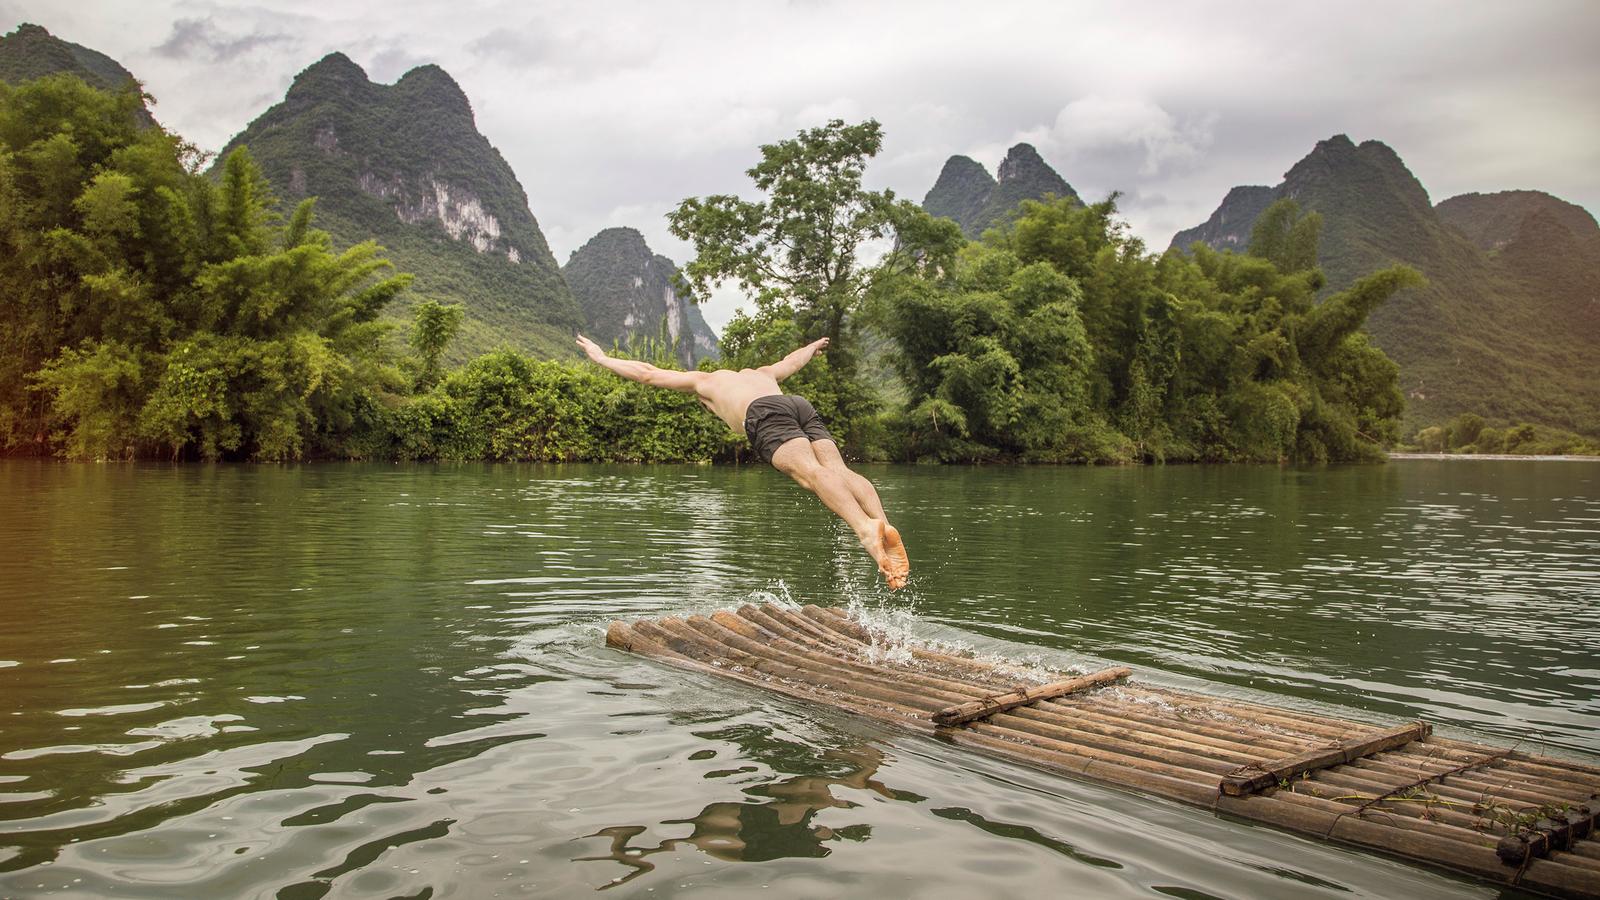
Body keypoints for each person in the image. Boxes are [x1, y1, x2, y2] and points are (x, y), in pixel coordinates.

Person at [576, 334, 910, 590]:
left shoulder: (703, 383)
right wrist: (812, 347)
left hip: (763, 413)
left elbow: (647, 374)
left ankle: (865, 529)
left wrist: (603, 359)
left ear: (707, 404)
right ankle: (883, 521)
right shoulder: (761, 372)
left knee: (812, 474)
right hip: (795, 403)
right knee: (839, 471)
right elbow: (791, 362)